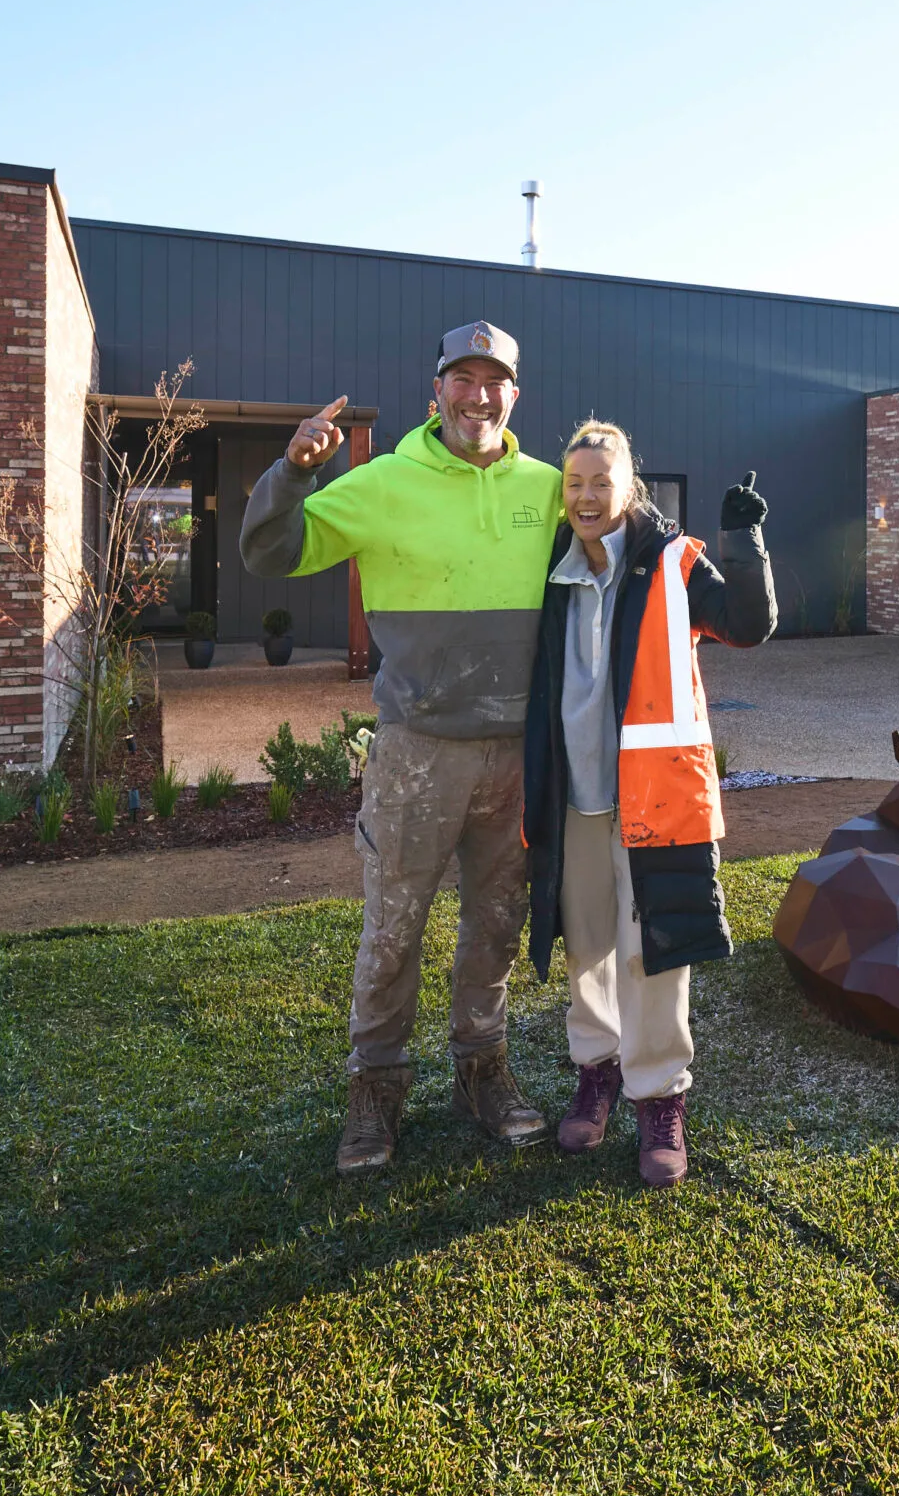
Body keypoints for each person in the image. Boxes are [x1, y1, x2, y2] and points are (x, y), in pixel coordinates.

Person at [239, 319, 559, 1175]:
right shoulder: (382, 482)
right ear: (438, 389)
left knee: (496, 925)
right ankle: (375, 1089)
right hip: (419, 751)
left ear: (514, 395)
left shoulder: (551, 489)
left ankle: (481, 1072)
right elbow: (267, 551)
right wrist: (295, 469)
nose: (479, 394)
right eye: (464, 376)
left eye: (495, 379)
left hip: (518, 755)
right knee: (394, 931)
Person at [521, 421, 775, 1189]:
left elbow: (749, 624)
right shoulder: (549, 569)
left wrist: (742, 538)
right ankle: (595, 1070)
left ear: (630, 486)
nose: (589, 497)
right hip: (575, 798)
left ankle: (660, 1094)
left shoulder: (673, 561)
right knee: (587, 946)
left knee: (655, 951)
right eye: (577, 484)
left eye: (603, 482)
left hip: (655, 800)